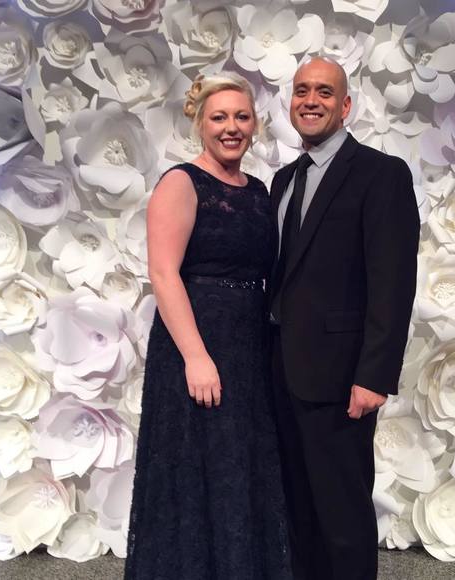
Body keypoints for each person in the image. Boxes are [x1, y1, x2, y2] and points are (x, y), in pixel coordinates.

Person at [124, 73, 291, 580]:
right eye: (219, 117)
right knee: (199, 469)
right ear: (200, 123)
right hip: (197, 347)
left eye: (241, 116)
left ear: (254, 125)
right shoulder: (181, 182)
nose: (231, 127)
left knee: (240, 467)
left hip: (249, 348)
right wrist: (197, 357)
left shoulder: (258, 191)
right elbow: (163, 273)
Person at [269, 57, 420, 580]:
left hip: (341, 379)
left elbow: (393, 282)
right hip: (281, 374)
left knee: (343, 515)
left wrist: (374, 375)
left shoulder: (381, 174)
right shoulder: (283, 180)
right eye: (302, 91)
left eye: (324, 92)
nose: (311, 101)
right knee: (298, 510)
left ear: (346, 105)